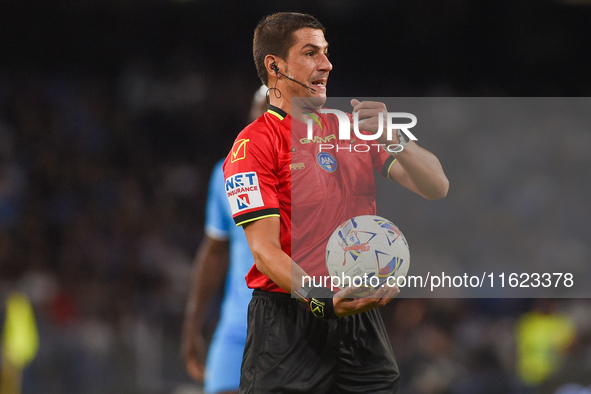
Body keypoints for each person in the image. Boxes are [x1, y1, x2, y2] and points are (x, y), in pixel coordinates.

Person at [223, 12, 449, 393]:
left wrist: (393, 136)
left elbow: (436, 185)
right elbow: (264, 252)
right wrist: (321, 301)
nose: (326, 64)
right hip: (288, 322)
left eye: (326, 53)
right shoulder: (253, 145)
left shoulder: (350, 127)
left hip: (360, 322)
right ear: (274, 66)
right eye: (311, 53)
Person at [182, 87, 267, 394]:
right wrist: (192, 325)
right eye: (258, 113)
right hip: (237, 329)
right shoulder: (226, 173)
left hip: (297, 333)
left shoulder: (316, 177)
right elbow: (214, 252)